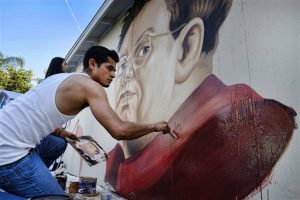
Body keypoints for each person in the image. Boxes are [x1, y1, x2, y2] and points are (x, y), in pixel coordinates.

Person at [105, 0, 297, 199]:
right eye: (124, 64)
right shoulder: (117, 165)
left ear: (188, 47)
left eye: (144, 50)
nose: (126, 75)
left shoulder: (242, 129)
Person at [0, 45, 170, 199]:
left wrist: (65, 134)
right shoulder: (90, 87)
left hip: (6, 134)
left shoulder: (60, 78)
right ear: (92, 64)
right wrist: (154, 126)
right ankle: (29, 184)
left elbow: (36, 114)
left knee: (58, 144)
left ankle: (36, 177)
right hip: (7, 154)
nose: (113, 75)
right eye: (109, 68)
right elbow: (119, 130)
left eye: (115, 70)